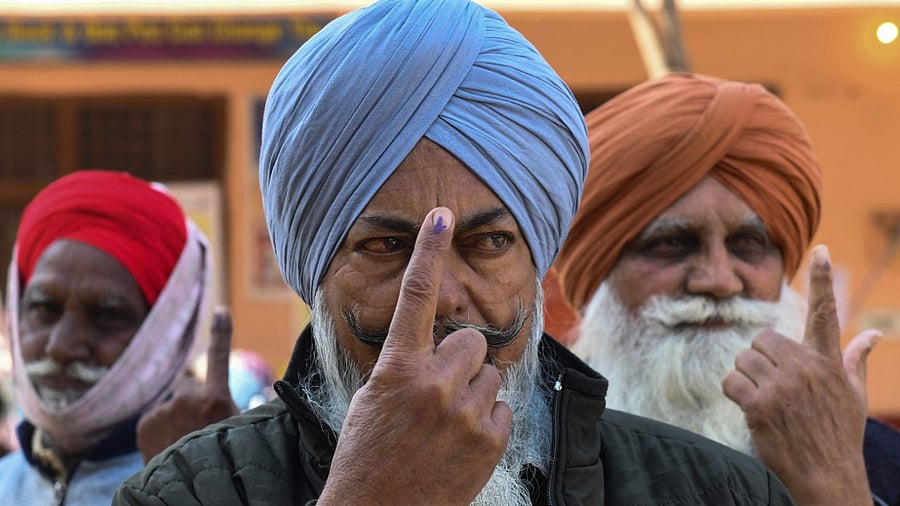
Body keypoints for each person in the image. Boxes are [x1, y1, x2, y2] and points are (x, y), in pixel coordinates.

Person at [114, 2, 795, 504]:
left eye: (489, 243)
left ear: (538, 266)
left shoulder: (715, 490)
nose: (438, 294)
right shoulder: (186, 494)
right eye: (386, 246)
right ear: (313, 268)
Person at [551, 72, 900, 506]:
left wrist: (832, 481)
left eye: (748, 244)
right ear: (597, 276)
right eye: (673, 243)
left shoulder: (880, 463)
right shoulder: (527, 458)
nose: (719, 279)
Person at [0, 170, 237, 504]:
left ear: (165, 335)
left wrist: (206, 484)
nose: (61, 347)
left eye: (106, 316)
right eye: (43, 307)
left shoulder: (227, 483)